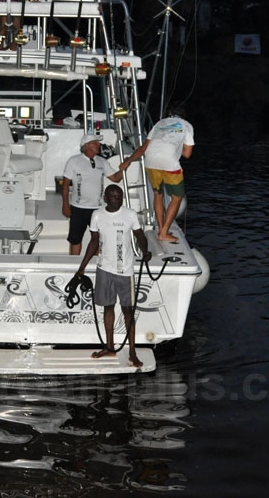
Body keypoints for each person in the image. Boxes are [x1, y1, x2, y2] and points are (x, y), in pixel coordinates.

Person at [72, 184, 151, 368]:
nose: (117, 199)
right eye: (113, 196)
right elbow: (93, 242)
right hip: (104, 269)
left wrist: (145, 251)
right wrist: (82, 267)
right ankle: (109, 346)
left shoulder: (130, 214)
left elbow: (140, 236)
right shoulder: (98, 215)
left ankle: (132, 352)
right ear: (105, 198)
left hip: (125, 270)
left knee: (127, 311)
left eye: (120, 196)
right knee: (108, 308)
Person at [123, 106, 195, 243]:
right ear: (183, 116)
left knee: (158, 194)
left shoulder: (159, 124)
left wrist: (128, 161)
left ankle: (161, 228)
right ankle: (164, 232)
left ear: (169, 115)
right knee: (177, 197)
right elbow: (187, 154)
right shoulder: (187, 126)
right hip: (169, 163)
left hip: (150, 161)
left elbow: (144, 148)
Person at [62, 133, 125, 256]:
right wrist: (65, 205)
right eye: (95, 143)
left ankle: (95, 266)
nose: (99, 145)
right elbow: (65, 185)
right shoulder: (73, 161)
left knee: (97, 239)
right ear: (86, 145)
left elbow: (116, 179)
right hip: (78, 208)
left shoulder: (102, 161)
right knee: (75, 239)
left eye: (98, 142)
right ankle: (75, 265)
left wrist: (124, 168)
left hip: (98, 209)